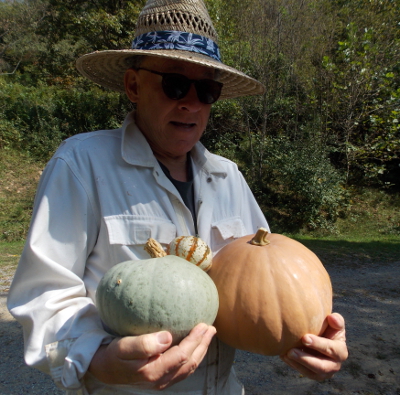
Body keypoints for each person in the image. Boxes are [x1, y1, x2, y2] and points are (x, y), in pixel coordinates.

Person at [7, 0, 348, 394]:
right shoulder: (81, 165)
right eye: (174, 84)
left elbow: (268, 287)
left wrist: (312, 340)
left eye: (206, 90)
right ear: (133, 86)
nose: (191, 102)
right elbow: (43, 296)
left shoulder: (229, 177)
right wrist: (100, 359)